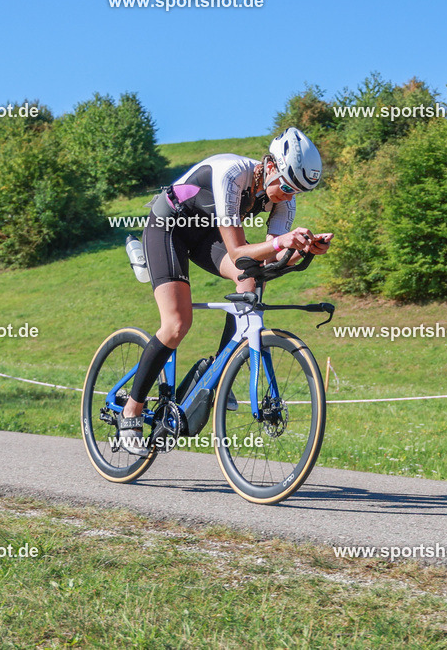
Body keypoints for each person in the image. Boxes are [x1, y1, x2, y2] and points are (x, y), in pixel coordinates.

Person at [119, 127, 333, 455]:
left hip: (208, 236)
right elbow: (237, 253)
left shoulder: (283, 202)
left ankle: (220, 373)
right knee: (176, 324)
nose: (289, 197)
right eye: (288, 186)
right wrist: (282, 243)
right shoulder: (232, 174)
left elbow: (268, 258)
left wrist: (302, 250)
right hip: (170, 227)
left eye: (298, 192)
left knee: (252, 279)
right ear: (271, 165)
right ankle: (131, 413)